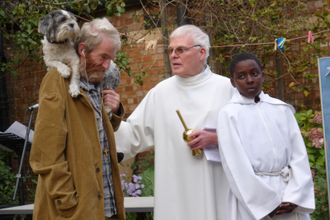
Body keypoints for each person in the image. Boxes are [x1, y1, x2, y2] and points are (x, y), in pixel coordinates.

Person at [114, 25, 234, 220]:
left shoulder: (227, 89)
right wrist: (111, 116)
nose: (173, 55)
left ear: (201, 52)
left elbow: (249, 137)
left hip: (215, 190)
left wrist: (217, 138)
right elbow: (133, 135)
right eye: (171, 50)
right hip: (174, 195)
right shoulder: (160, 93)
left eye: (180, 50)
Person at [29, 18, 125, 220]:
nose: (108, 65)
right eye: (103, 56)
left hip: (106, 207)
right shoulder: (57, 81)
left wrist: (113, 113)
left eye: (112, 58)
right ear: (82, 50)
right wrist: (67, 203)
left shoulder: (97, 81)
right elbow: (45, 154)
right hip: (75, 211)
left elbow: (91, 134)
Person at [217, 52, 315, 220]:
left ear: (262, 75)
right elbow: (236, 167)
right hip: (254, 199)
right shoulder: (229, 114)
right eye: (241, 76)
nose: (249, 80)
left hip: (288, 192)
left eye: (254, 73)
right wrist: (265, 204)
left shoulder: (280, 109)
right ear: (233, 82)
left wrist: (295, 197)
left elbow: (299, 156)